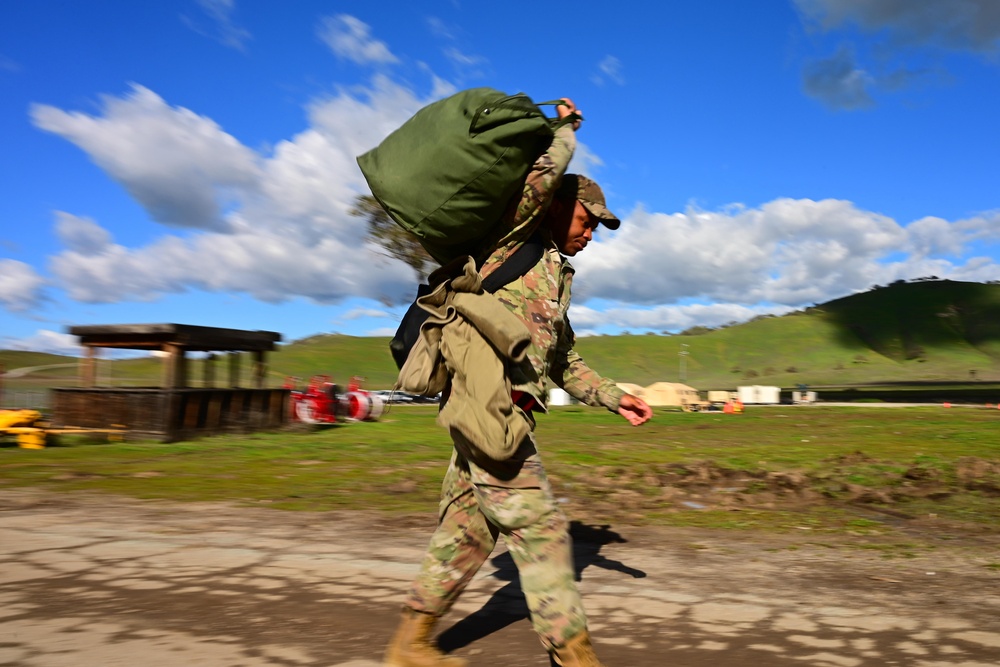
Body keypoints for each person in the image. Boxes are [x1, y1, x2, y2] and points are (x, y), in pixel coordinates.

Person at [384, 98, 652, 667]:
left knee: (468, 534)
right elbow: (541, 179)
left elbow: (566, 361)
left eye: (598, 229)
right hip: (488, 408)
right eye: (586, 220)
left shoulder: (556, 276)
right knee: (543, 526)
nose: (591, 234)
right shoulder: (514, 238)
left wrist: (615, 396)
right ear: (557, 208)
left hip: (507, 410)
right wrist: (566, 130)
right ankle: (572, 655)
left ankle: (410, 644)